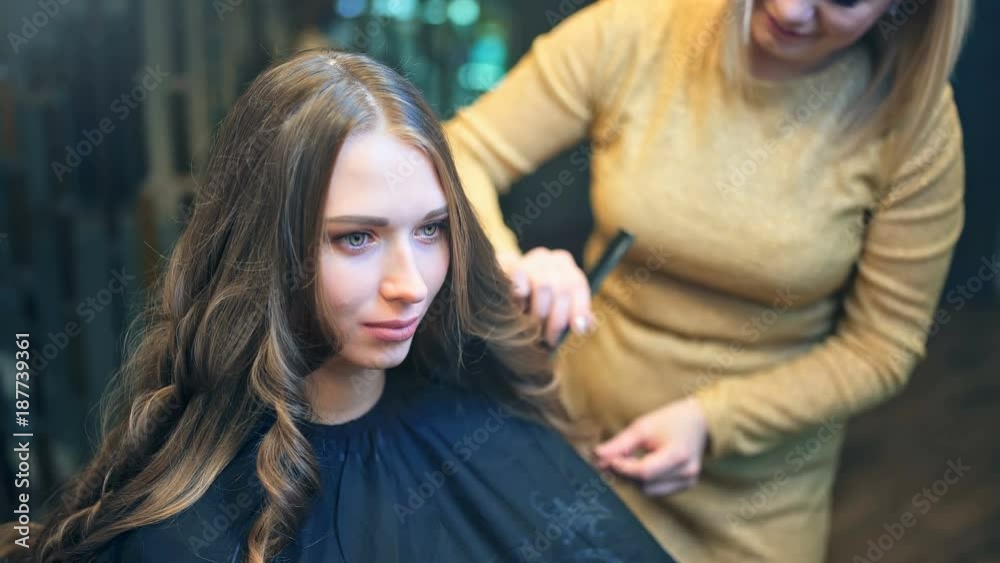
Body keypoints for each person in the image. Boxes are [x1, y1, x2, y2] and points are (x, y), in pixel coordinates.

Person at [0, 50, 676, 563]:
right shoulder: (183, 521)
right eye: (357, 238)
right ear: (267, 248)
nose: (410, 283)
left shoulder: (482, 423)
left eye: (431, 229)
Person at [442, 0, 973, 561]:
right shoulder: (642, 27)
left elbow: (881, 347)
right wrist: (506, 266)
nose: (791, 10)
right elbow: (462, 151)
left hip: (749, 513)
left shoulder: (914, 121)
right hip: (568, 456)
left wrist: (713, 421)